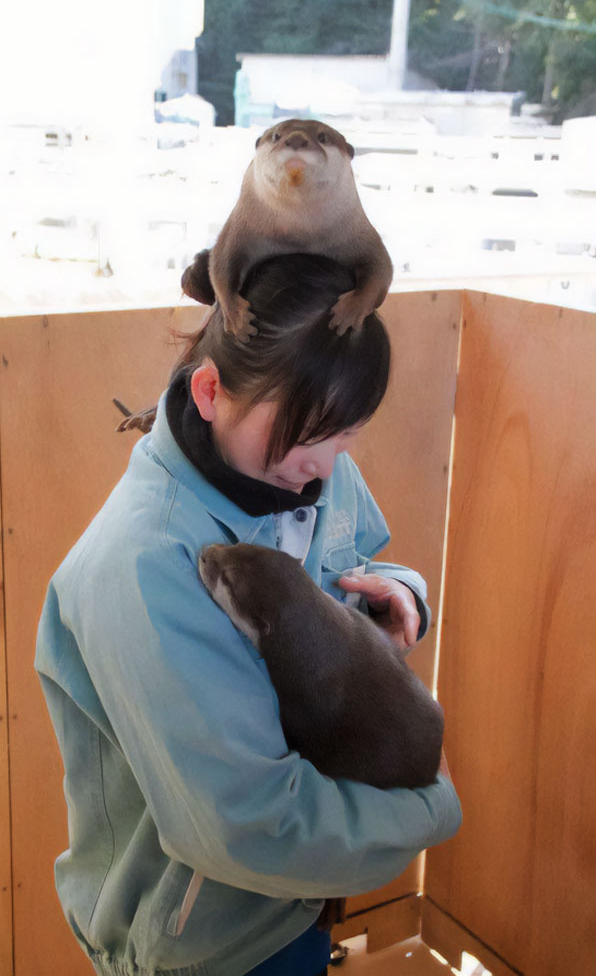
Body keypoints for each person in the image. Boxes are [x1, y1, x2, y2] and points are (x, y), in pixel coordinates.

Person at [35, 253, 462, 976]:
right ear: (209, 391)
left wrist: (397, 594)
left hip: (301, 898)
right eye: (310, 435)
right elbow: (244, 825)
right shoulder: (143, 565)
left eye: (348, 434)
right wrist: (432, 811)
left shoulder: (303, 462)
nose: (327, 466)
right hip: (199, 943)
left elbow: (346, 570)